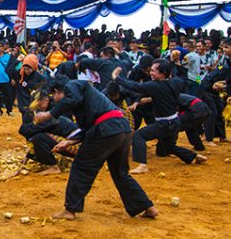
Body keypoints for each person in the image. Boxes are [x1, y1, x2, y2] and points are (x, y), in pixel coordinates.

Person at [34, 78, 158, 220]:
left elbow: (73, 101)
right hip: (121, 130)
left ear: (56, 91)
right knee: (121, 173)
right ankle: (147, 207)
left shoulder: (73, 85)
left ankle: (70, 210)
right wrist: (68, 142)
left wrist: (49, 114)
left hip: (106, 130)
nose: (55, 100)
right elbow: (87, 128)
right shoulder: (86, 100)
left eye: (54, 96)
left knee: (81, 167)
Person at [113, 59, 207, 174]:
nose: (150, 73)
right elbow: (183, 77)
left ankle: (142, 165)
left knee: (138, 136)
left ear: (162, 73)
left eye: (153, 71)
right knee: (169, 147)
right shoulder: (175, 82)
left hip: (164, 124)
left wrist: (116, 77)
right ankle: (194, 156)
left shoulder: (155, 86)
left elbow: (134, 86)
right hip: (174, 121)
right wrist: (176, 62)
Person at [15, 54, 46, 124]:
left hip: (35, 106)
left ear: (34, 67)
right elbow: (9, 71)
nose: (26, 71)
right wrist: (16, 61)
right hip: (24, 105)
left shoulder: (40, 77)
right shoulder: (21, 75)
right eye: (25, 69)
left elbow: (44, 89)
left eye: (28, 69)